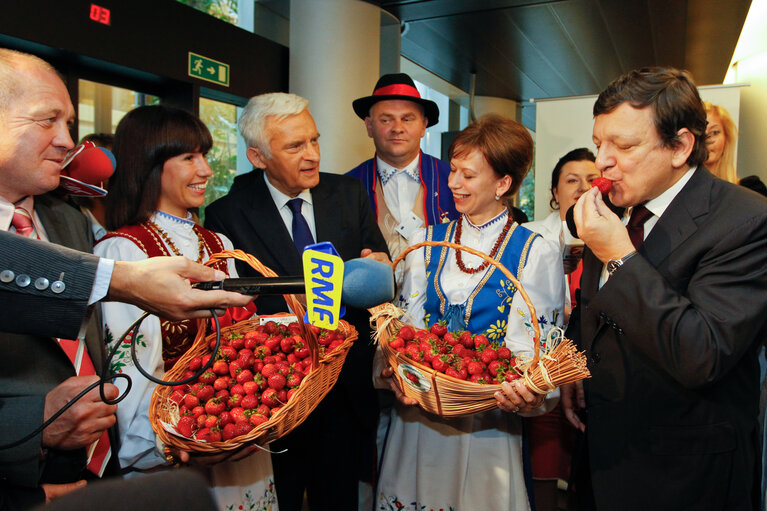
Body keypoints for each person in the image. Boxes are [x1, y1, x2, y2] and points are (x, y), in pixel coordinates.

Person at [564, 67, 767, 510]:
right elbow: (594, 310)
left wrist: (620, 255)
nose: (602, 161)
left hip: (683, 475)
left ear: (680, 147)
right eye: (600, 143)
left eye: (624, 145)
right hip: (601, 459)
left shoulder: (746, 220)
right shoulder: (617, 210)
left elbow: (703, 352)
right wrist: (573, 371)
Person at [204, 92, 389, 511]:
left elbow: (377, 272)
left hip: (344, 390)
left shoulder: (348, 194)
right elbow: (235, 309)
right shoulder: (227, 214)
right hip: (273, 397)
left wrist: (378, 268)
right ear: (258, 156)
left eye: (314, 140)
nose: (312, 155)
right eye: (294, 146)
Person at [377, 114, 565, 511]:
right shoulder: (424, 241)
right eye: (453, 171)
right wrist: (392, 368)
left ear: (503, 184)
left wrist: (528, 392)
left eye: (468, 175)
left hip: (488, 426)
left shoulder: (536, 252)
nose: (453, 184)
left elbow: (540, 351)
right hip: (418, 420)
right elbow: (404, 327)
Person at [94, 105, 277, 511]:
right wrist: (169, 445)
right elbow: (129, 372)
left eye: (205, 156)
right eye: (189, 157)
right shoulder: (123, 253)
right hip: (176, 452)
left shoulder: (221, 244)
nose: (207, 170)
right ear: (150, 164)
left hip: (238, 433)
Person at [0, 47, 121, 510]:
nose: (69, 141)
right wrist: (37, 422)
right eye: (47, 120)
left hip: (96, 469)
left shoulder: (67, 218)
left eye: (69, 123)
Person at [523, 148, 599, 510]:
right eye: (572, 180)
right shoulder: (528, 237)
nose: (583, 187)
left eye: (591, 179)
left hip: (593, 380)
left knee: (587, 480)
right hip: (544, 377)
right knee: (542, 477)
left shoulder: (616, 239)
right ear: (554, 191)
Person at [347, 72, 459, 267]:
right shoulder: (347, 188)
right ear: (369, 126)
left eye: (407, 119)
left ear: (424, 126)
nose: (397, 128)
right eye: (386, 120)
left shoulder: (454, 180)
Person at [702, 101, 738, 183]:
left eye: (714, 132)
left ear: (726, 138)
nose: (707, 140)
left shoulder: (751, 189)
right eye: (701, 133)